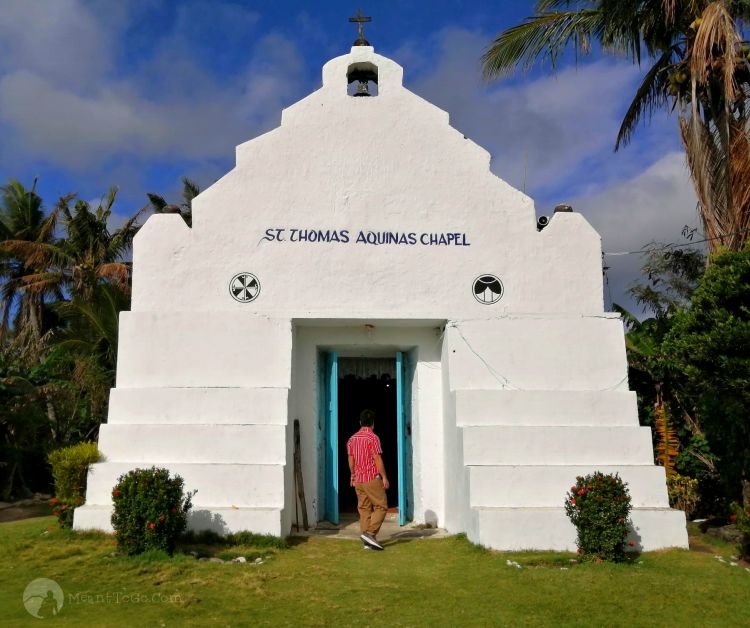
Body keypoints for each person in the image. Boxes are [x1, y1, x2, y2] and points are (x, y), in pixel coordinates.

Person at [347, 409, 389, 551]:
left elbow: (351, 459)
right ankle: (370, 534)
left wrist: (352, 475)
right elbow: (377, 458)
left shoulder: (352, 439)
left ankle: (367, 542)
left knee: (364, 509)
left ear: (360, 422)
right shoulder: (373, 438)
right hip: (371, 477)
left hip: (358, 479)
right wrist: (384, 476)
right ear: (373, 423)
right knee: (381, 506)